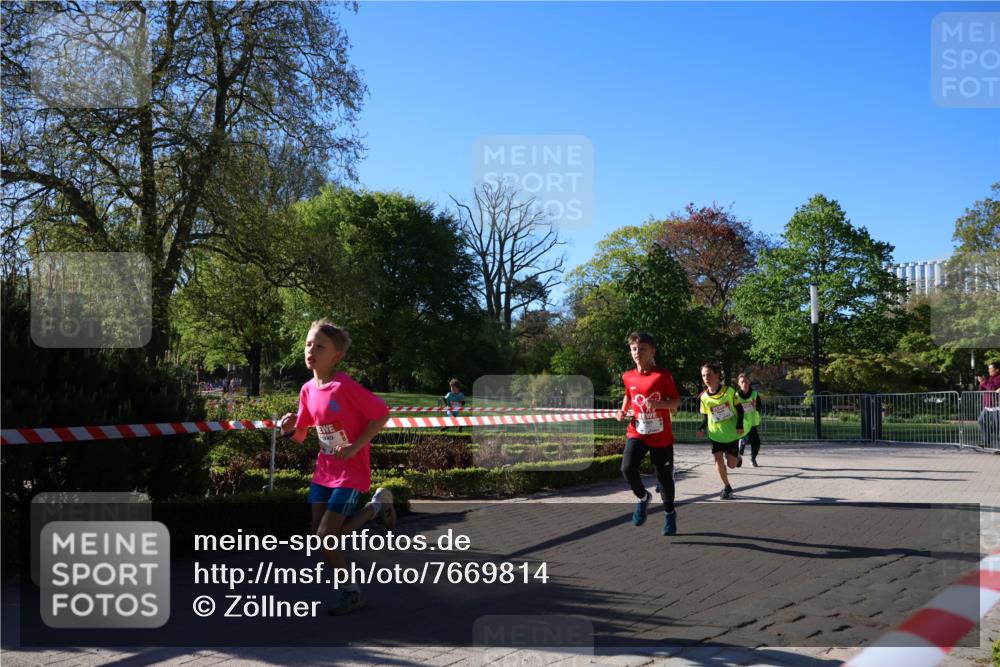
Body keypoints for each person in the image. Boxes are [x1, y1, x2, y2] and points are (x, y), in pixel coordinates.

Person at [278, 319, 394, 616]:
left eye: (319, 346)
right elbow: (303, 434)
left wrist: (356, 447)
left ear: (335, 356)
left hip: (351, 471)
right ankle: (377, 508)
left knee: (325, 537)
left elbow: (381, 414)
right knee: (322, 536)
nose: (311, 350)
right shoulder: (307, 389)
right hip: (324, 471)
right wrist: (289, 428)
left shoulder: (345, 387)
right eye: (308, 344)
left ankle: (352, 592)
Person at [616, 332, 682, 535]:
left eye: (642, 349)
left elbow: (676, 403)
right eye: (634, 349)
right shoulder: (628, 376)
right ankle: (643, 497)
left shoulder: (662, 376)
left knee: (664, 479)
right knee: (627, 468)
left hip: (660, 435)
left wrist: (659, 404)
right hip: (637, 431)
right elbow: (629, 395)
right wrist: (623, 410)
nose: (637, 353)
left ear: (652, 351)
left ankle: (669, 513)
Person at [696, 363, 744, 499]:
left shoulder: (729, 391)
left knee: (732, 465)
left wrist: (739, 425)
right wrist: (701, 427)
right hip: (715, 434)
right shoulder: (704, 397)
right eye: (704, 375)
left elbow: (740, 409)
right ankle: (727, 487)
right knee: (718, 460)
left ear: (717, 375)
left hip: (730, 434)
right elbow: (705, 416)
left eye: (709, 374)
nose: (706, 378)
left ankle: (738, 457)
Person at [736, 372, 764, 467]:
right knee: (745, 438)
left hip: (752, 423)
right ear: (739, 383)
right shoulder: (736, 396)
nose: (744, 383)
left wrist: (756, 405)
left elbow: (760, 408)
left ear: (749, 382)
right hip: (742, 422)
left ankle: (752, 459)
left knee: (756, 442)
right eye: (742, 382)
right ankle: (740, 451)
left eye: (746, 381)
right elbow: (733, 409)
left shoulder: (755, 394)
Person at [975, 361, 1000, 446]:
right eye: (988, 368)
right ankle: (986, 442)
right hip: (987, 407)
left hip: (996, 407)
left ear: (997, 369)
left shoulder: (998, 378)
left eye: (991, 368)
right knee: (981, 421)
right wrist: (981, 382)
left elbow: (993, 389)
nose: (989, 370)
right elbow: (982, 390)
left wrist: (984, 382)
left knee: (998, 427)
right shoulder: (989, 378)